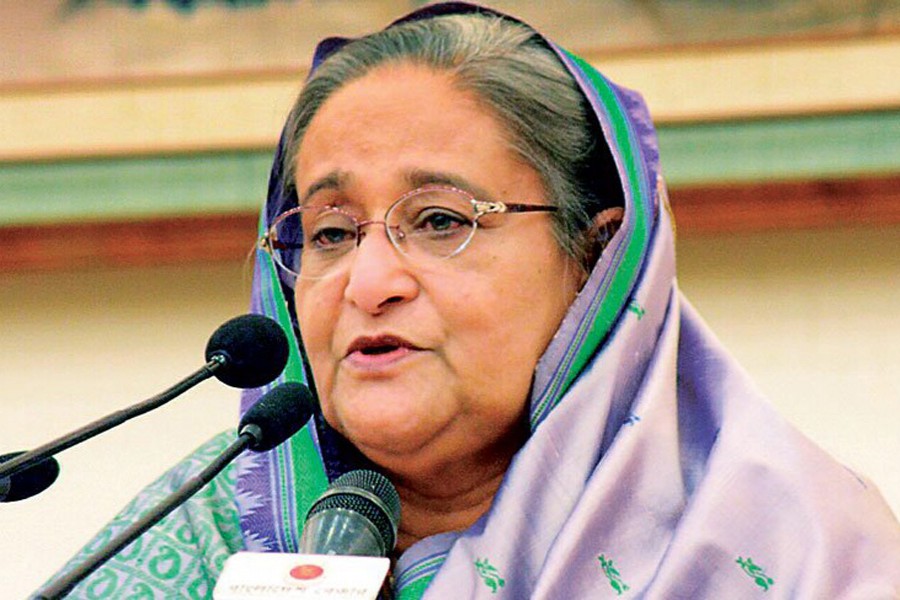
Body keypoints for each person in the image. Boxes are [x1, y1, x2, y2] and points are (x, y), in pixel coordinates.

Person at [43, 3, 899, 598]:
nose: (368, 283)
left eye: (441, 220)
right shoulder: (210, 534)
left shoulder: (789, 548)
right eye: (331, 233)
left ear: (594, 258)